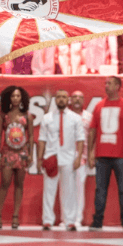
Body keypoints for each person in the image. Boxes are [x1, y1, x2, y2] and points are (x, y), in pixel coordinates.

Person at [87, 76, 123, 231]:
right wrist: (90, 153)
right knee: (100, 189)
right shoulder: (99, 106)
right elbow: (92, 131)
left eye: (109, 83)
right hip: (101, 155)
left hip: (121, 155)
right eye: (105, 83)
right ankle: (97, 221)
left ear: (118, 86)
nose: (106, 86)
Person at [37, 89, 85, 231]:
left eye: (64, 97)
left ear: (68, 100)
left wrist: (79, 157)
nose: (61, 100)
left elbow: (81, 139)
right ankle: (47, 220)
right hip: (51, 157)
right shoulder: (47, 118)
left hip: (69, 157)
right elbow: (41, 140)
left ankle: (70, 220)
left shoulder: (75, 118)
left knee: (69, 191)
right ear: (55, 100)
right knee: (49, 190)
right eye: (59, 97)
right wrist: (40, 158)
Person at [0, 85, 34, 229]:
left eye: (18, 96)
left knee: (19, 184)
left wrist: (30, 154)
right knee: (4, 182)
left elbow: (31, 136)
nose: (15, 98)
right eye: (13, 96)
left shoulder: (27, 116)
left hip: (22, 153)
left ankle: (15, 216)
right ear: (8, 98)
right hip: (7, 152)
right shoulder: (4, 116)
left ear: (22, 98)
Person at [69, 90, 92, 226]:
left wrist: (90, 155)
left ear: (83, 100)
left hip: (82, 158)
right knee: (67, 189)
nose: (77, 99)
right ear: (71, 100)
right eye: (74, 97)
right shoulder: (66, 116)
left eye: (80, 97)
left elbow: (92, 137)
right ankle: (67, 218)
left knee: (79, 189)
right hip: (66, 156)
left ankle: (77, 218)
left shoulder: (89, 117)